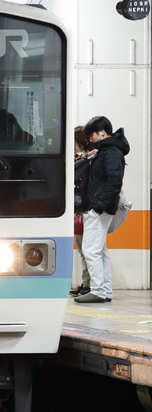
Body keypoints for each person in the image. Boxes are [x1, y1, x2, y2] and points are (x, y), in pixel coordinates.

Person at [75, 115, 129, 304]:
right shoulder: (104, 151)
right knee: (99, 251)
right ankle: (104, 290)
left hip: (99, 208)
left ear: (102, 132)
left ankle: (97, 290)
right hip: (98, 207)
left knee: (90, 250)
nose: (89, 140)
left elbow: (114, 181)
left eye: (91, 136)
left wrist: (98, 206)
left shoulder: (111, 152)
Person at [71, 126, 91, 296]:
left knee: (87, 251)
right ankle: (86, 283)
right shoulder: (81, 159)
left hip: (85, 211)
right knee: (83, 251)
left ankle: (89, 285)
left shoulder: (90, 159)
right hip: (80, 211)